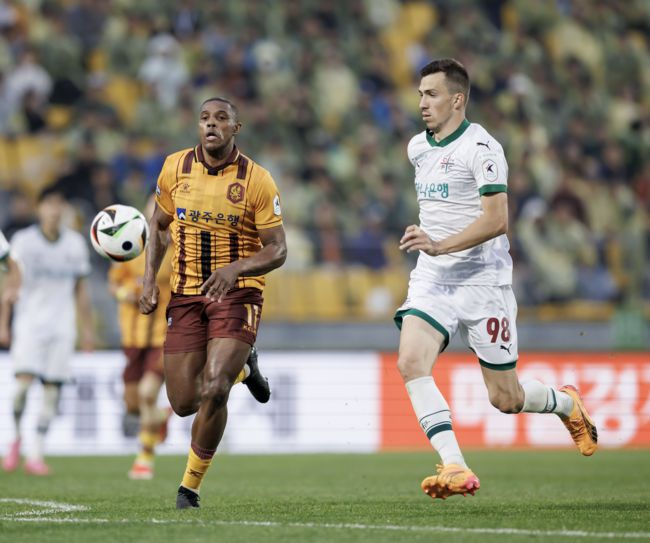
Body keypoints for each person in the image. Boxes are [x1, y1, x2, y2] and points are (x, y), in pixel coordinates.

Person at [394, 59, 597, 500]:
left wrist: (440, 244)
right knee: (410, 361)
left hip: (484, 282)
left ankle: (566, 403)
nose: (422, 103)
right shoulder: (417, 147)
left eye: (431, 94)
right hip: (433, 279)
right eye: (420, 94)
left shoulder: (483, 149)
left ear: (457, 100)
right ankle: (454, 465)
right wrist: (433, 248)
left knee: (506, 398)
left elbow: (497, 220)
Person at [139, 97, 287, 509]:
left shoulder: (257, 180)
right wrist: (149, 280)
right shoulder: (175, 168)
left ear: (236, 128)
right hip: (186, 293)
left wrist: (235, 270)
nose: (211, 124)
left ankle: (189, 488)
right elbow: (159, 224)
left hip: (238, 292)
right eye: (205, 118)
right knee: (183, 402)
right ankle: (245, 369)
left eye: (221, 118)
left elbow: (278, 249)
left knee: (215, 386)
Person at [110, 197, 270, 480]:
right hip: (133, 337)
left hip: (164, 333)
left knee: (148, 393)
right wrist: (127, 293)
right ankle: (165, 415)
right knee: (134, 403)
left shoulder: (181, 251)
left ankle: (144, 459)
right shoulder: (132, 248)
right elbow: (115, 283)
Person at [0, 187, 94, 476]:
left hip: (62, 327)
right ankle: (16, 437)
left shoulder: (75, 244)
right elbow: (9, 283)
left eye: (58, 205)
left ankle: (36, 454)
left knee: (52, 392)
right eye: (49, 204)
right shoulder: (23, 241)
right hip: (29, 324)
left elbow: (80, 290)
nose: (54, 210)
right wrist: (3, 323)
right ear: (39, 209)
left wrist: (87, 329)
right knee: (22, 389)